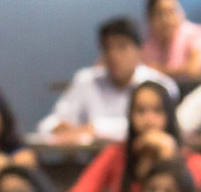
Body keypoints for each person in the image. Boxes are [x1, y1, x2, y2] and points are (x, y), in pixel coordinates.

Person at [64, 81, 201, 192]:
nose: (148, 119)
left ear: (170, 116)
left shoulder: (194, 162)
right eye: (140, 111)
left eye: (157, 110)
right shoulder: (116, 154)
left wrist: (168, 155)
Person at [40, 17, 175, 141]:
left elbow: (167, 127)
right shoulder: (86, 80)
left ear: (140, 50)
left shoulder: (160, 85)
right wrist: (58, 127)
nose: (113, 55)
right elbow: (48, 123)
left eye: (121, 47)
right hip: (90, 160)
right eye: (107, 48)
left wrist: (96, 128)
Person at [141, 0, 201, 83]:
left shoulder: (198, 33)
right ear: (150, 19)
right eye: (161, 14)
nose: (168, 19)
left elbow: (194, 70)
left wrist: (159, 70)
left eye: (173, 11)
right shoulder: (148, 42)